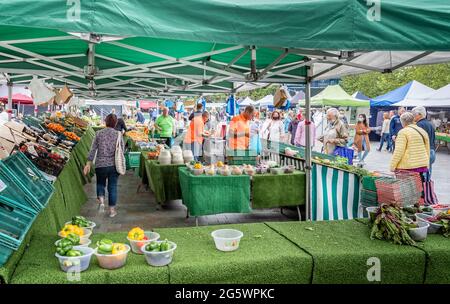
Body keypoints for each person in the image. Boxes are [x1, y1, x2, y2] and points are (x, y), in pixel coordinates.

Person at [84, 114, 124, 218]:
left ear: (105, 122)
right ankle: (112, 211)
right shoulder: (118, 134)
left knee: (100, 183)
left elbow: (93, 149)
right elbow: (122, 150)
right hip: (114, 165)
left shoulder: (98, 133)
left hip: (100, 164)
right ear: (115, 123)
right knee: (112, 187)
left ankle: (101, 202)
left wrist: (88, 163)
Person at [390, 112, 430, 187]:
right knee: (418, 188)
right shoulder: (422, 131)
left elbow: (399, 151)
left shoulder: (403, 132)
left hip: (408, 166)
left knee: (406, 191)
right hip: (421, 165)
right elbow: (427, 148)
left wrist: (392, 166)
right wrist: (426, 163)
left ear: (402, 122)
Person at [412, 106, 436, 177]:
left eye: (414, 115)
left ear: (419, 115)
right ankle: (427, 188)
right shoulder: (430, 124)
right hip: (431, 151)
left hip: (424, 152)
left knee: (422, 177)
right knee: (427, 175)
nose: (413, 117)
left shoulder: (419, 125)